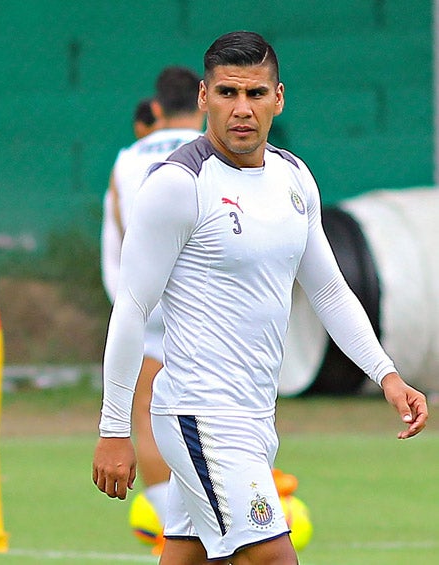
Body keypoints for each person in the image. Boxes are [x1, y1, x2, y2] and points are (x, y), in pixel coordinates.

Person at [92, 31, 428, 565]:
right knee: (273, 557)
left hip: (254, 414)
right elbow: (131, 308)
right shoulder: (178, 184)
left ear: (279, 98)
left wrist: (386, 374)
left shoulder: (294, 177)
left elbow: (329, 290)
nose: (241, 108)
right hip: (198, 413)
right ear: (204, 98)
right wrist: (114, 429)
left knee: (189, 554)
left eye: (255, 93)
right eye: (227, 93)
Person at [101, 66, 204, 547]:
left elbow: (124, 226)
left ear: (157, 108)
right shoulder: (215, 147)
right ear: (203, 101)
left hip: (148, 296)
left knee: (148, 406)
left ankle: (169, 521)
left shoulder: (128, 158)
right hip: (205, 296)